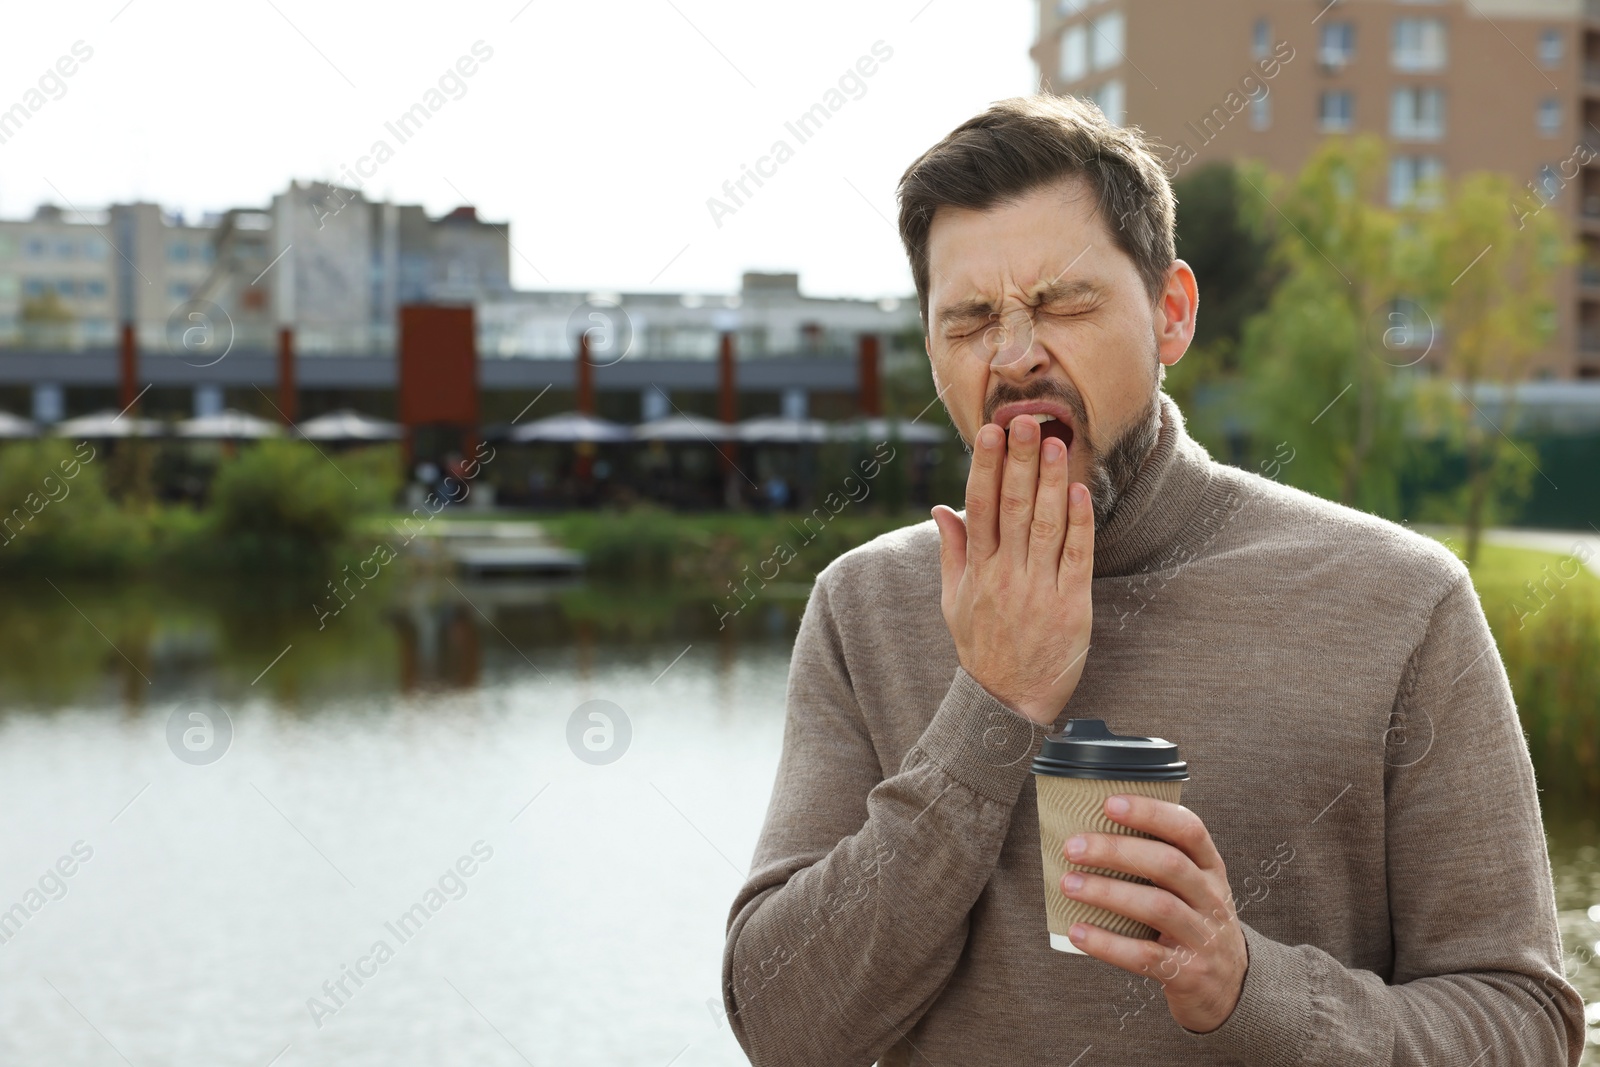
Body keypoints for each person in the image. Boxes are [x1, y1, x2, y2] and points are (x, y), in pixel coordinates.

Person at [720, 94, 1585, 1065]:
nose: (1013, 355)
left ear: (1170, 314)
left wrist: (1245, 986)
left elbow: (1522, 1029)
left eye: (1063, 302)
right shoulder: (861, 608)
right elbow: (783, 1024)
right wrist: (991, 704)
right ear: (931, 346)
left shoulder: (1403, 602)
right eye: (969, 319)